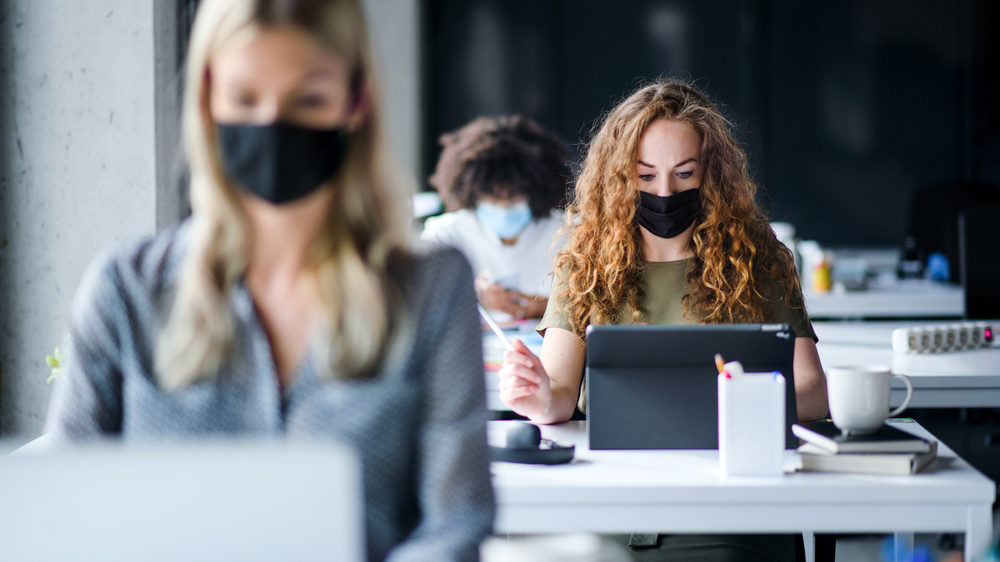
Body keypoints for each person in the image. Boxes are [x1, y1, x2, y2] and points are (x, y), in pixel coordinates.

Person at [44, 1, 494, 560]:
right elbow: (61, 517)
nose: (273, 126)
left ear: (355, 101)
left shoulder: (432, 290)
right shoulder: (125, 293)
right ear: (208, 97)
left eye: (308, 100)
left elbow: (454, 525)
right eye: (245, 98)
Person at [499, 79, 828, 561]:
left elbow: (814, 394)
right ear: (620, 176)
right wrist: (538, 395)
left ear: (712, 175)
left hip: (730, 513)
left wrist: (742, 407)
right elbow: (559, 396)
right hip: (609, 508)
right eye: (646, 176)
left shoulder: (762, 260)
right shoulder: (584, 262)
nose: (665, 191)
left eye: (684, 173)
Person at [422, 115, 573, 319]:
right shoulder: (445, 233)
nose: (504, 207)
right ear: (472, 193)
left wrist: (546, 308)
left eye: (513, 197)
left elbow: (598, 305)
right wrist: (473, 295)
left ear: (536, 191)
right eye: (492, 198)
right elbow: (418, 296)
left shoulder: (568, 231)